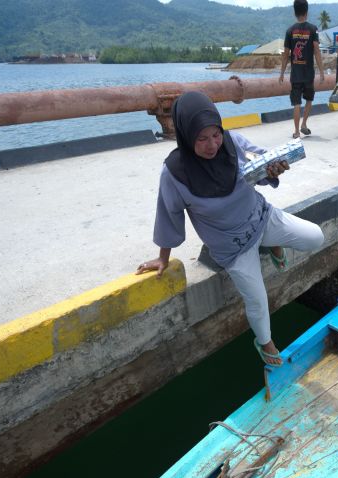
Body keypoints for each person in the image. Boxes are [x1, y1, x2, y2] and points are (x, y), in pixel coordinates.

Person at [136, 92, 324, 367]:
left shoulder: (232, 142)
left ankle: (270, 242)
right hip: (234, 248)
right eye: (201, 138)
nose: (212, 145)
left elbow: (260, 161)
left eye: (215, 135)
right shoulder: (175, 173)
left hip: (262, 217)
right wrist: (163, 257)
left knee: (314, 237)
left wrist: (273, 170)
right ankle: (266, 346)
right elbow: (168, 214)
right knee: (258, 302)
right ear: (186, 136)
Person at [279, 0, 325, 139]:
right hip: (309, 74)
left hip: (296, 75)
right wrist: (322, 72)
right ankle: (304, 124)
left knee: (296, 103)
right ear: (306, 11)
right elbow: (317, 51)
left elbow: (286, 54)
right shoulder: (313, 29)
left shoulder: (290, 31)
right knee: (309, 100)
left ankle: (297, 132)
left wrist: (281, 73)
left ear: (295, 12)